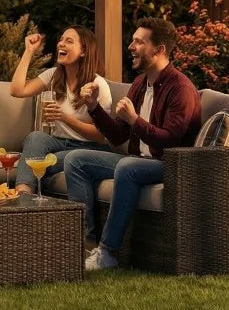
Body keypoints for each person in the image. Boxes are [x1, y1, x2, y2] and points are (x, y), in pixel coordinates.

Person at [67, 18, 201, 271]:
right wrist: (94, 108)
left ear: (159, 50)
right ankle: (86, 243)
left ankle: (108, 253)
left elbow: (170, 140)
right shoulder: (140, 84)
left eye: (139, 42)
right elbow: (118, 135)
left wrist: (135, 120)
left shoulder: (180, 88)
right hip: (140, 161)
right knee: (77, 160)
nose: (131, 46)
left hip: (171, 163)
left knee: (128, 167)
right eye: (133, 40)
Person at [9, 27, 115, 195]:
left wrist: (65, 118)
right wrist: (29, 51)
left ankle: (28, 198)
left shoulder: (97, 85)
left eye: (69, 41)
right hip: (58, 143)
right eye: (61, 39)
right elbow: (17, 90)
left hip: (88, 148)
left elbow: (101, 136)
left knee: (39, 164)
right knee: (35, 138)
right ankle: (23, 195)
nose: (61, 44)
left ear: (84, 52)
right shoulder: (54, 75)